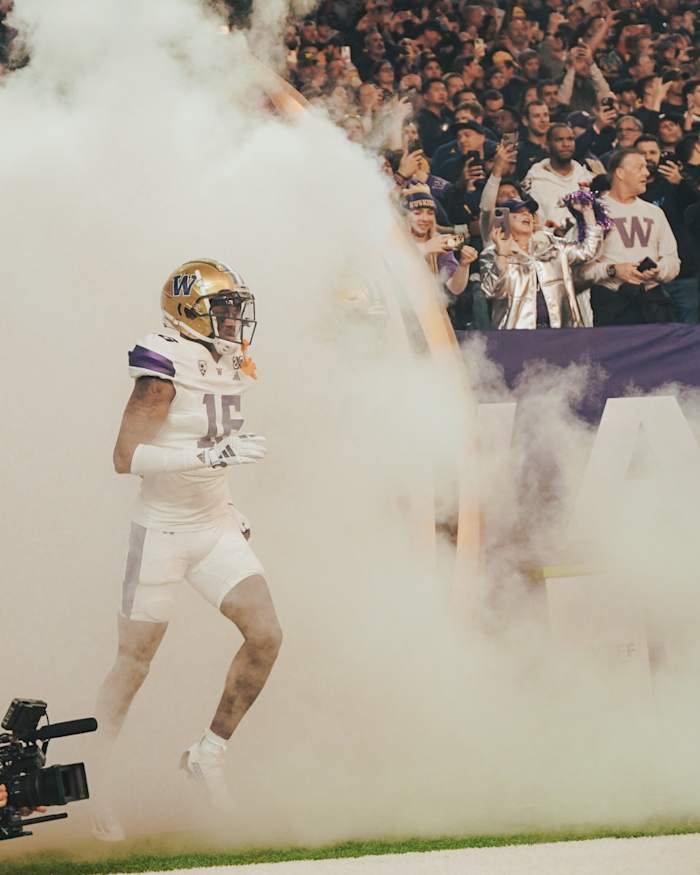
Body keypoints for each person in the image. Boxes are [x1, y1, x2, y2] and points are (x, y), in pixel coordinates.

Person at [92, 259, 282, 840]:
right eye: (222, 306)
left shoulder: (227, 361)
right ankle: (96, 777)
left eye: (234, 306)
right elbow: (127, 458)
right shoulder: (162, 366)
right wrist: (210, 460)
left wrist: (227, 501)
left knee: (266, 635)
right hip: (162, 533)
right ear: (188, 310)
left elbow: (215, 443)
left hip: (213, 524)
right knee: (134, 664)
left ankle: (207, 754)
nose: (233, 317)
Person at [579, 149, 681, 325]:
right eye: (639, 167)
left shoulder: (654, 212)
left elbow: (673, 261)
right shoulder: (593, 212)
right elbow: (580, 271)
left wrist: (659, 270)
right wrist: (612, 270)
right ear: (620, 173)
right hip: (613, 306)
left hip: (653, 305)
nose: (647, 173)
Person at [480, 195, 602, 329]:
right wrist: (502, 254)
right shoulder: (492, 253)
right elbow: (490, 291)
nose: (527, 214)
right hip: (516, 336)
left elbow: (587, 251)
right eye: (519, 212)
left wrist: (587, 213)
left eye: (529, 212)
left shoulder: (551, 244)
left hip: (561, 332)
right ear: (503, 220)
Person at [523, 124, 593, 227]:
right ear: (547, 144)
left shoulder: (585, 177)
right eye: (559, 140)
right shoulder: (535, 179)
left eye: (570, 139)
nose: (566, 144)